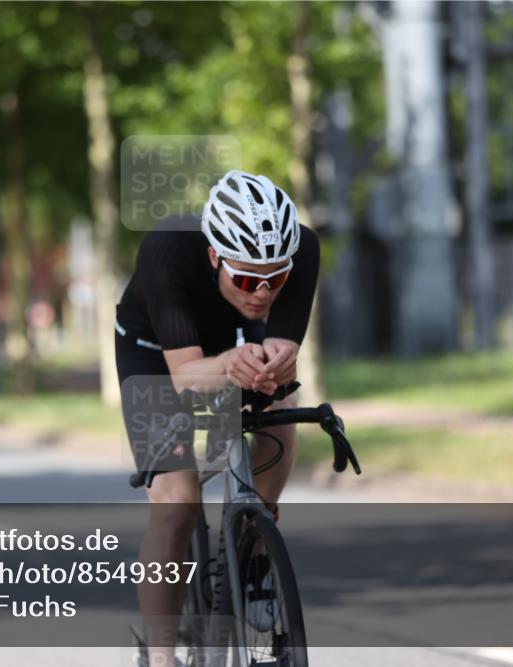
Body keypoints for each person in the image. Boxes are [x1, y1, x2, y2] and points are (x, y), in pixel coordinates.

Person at [115, 170, 319, 666]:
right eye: (248, 278)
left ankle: (255, 549)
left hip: (235, 339)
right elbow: (185, 375)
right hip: (156, 355)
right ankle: (161, 658)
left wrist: (273, 361)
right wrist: (230, 364)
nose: (263, 292)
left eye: (277, 279)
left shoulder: (303, 249)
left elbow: (285, 346)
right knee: (177, 502)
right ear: (214, 256)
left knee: (282, 406)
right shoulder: (168, 249)